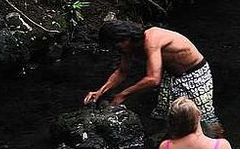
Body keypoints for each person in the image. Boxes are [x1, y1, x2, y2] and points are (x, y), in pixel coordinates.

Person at [83, 20, 223, 135]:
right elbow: (121, 72)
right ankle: (171, 141)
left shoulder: (152, 39)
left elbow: (153, 79)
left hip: (195, 74)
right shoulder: (127, 46)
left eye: (116, 45)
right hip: (172, 75)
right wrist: (100, 91)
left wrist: (123, 94)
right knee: (169, 114)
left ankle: (220, 144)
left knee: (203, 116)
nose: (116, 49)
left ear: (125, 38)